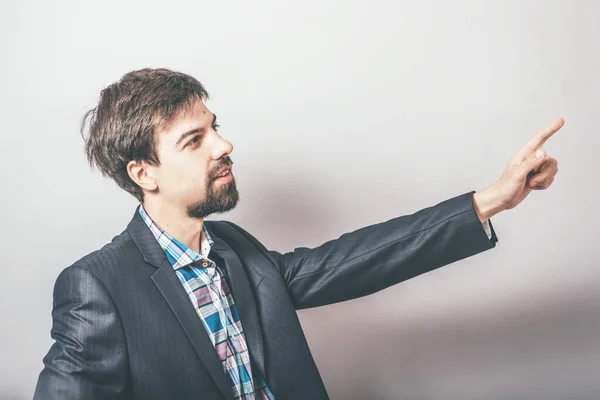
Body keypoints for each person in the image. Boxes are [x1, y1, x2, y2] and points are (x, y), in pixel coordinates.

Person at [33, 68, 562, 400]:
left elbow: (360, 259)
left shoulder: (235, 249)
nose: (224, 145)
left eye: (215, 126)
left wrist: (493, 198)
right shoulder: (96, 285)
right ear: (142, 174)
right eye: (195, 140)